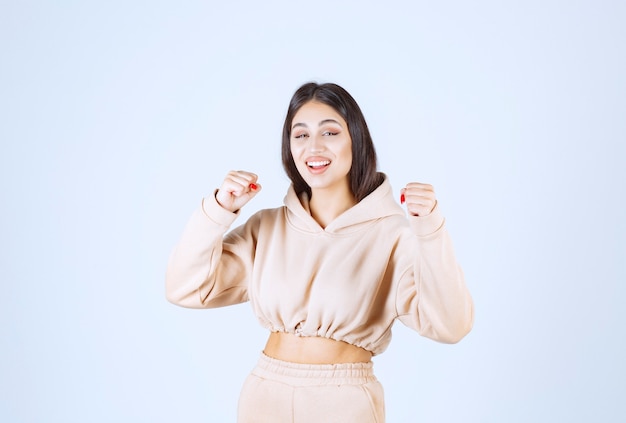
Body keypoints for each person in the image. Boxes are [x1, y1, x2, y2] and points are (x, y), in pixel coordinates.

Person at [165, 82, 474, 422]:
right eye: (300, 135)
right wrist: (217, 210)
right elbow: (185, 288)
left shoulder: (393, 235)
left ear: (356, 139)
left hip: (343, 403)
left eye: (330, 133)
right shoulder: (266, 226)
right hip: (265, 396)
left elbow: (451, 326)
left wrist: (430, 231)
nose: (314, 146)